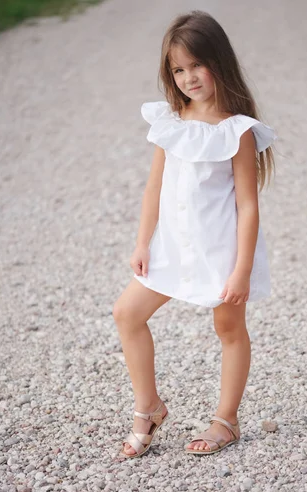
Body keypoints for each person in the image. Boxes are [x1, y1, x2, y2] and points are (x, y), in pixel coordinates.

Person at [113, 10, 277, 459]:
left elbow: (247, 204)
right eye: (178, 70)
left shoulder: (236, 130)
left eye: (195, 65)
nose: (188, 77)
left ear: (218, 62)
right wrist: (143, 241)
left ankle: (226, 419)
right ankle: (148, 407)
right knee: (127, 312)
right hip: (172, 244)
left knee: (227, 325)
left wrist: (241, 269)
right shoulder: (172, 121)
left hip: (221, 249)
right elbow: (154, 187)